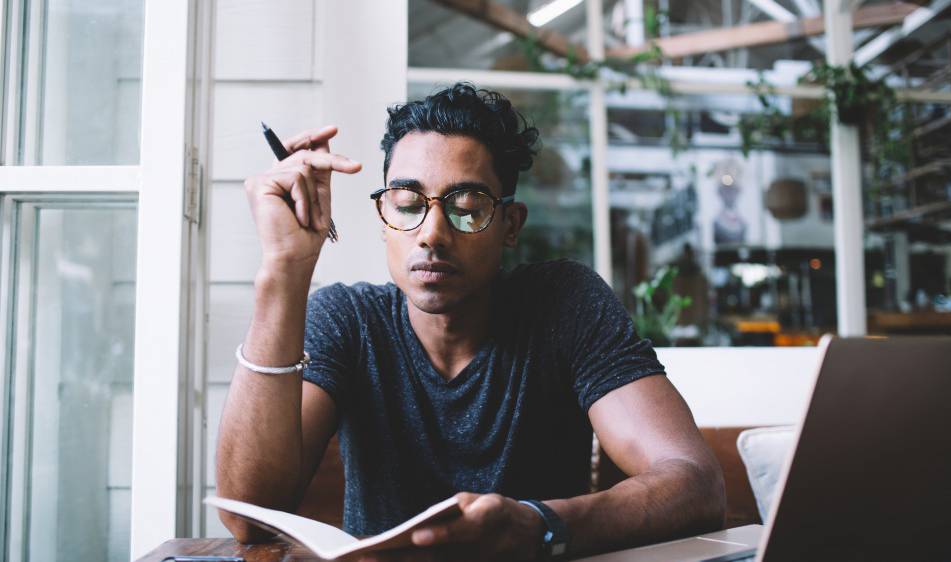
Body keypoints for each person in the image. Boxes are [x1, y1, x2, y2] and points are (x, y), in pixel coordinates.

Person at [216, 83, 725, 561]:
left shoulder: (563, 304)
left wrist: (536, 524)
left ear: (510, 225)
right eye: (409, 204)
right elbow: (250, 519)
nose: (432, 233)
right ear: (383, 216)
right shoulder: (349, 322)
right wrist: (284, 270)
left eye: (466, 207)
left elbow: (695, 483)